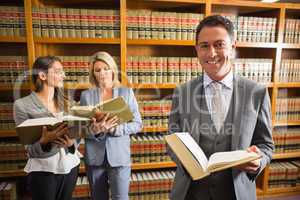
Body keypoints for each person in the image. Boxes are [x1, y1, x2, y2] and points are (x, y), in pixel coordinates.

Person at [168, 15, 274, 200]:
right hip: (190, 193)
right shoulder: (182, 92)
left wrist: (258, 161)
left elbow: (265, 145)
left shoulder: (256, 92)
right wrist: (188, 163)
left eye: (219, 44)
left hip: (236, 192)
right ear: (197, 50)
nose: (211, 53)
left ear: (232, 47)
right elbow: (172, 142)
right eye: (204, 46)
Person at [13, 56, 81, 200]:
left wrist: (71, 144)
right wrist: (44, 142)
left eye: (63, 71)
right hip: (43, 171)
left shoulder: (68, 102)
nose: (63, 75)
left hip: (71, 166)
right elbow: (30, 150)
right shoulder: (21, 105)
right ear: (42, 75)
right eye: (58, 71)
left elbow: (76, 135)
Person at [80, 51, 142, 200]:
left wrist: (117, 129)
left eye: (106, 68)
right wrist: (93, 130)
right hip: (94, 157)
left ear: (113, 70)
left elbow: (138, 124)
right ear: (93, 74)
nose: (102, 73)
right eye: (98, 70)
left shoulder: (126, 93)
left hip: (119, 157)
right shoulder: (86, 96)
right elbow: (81, 129)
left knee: (120, 197)